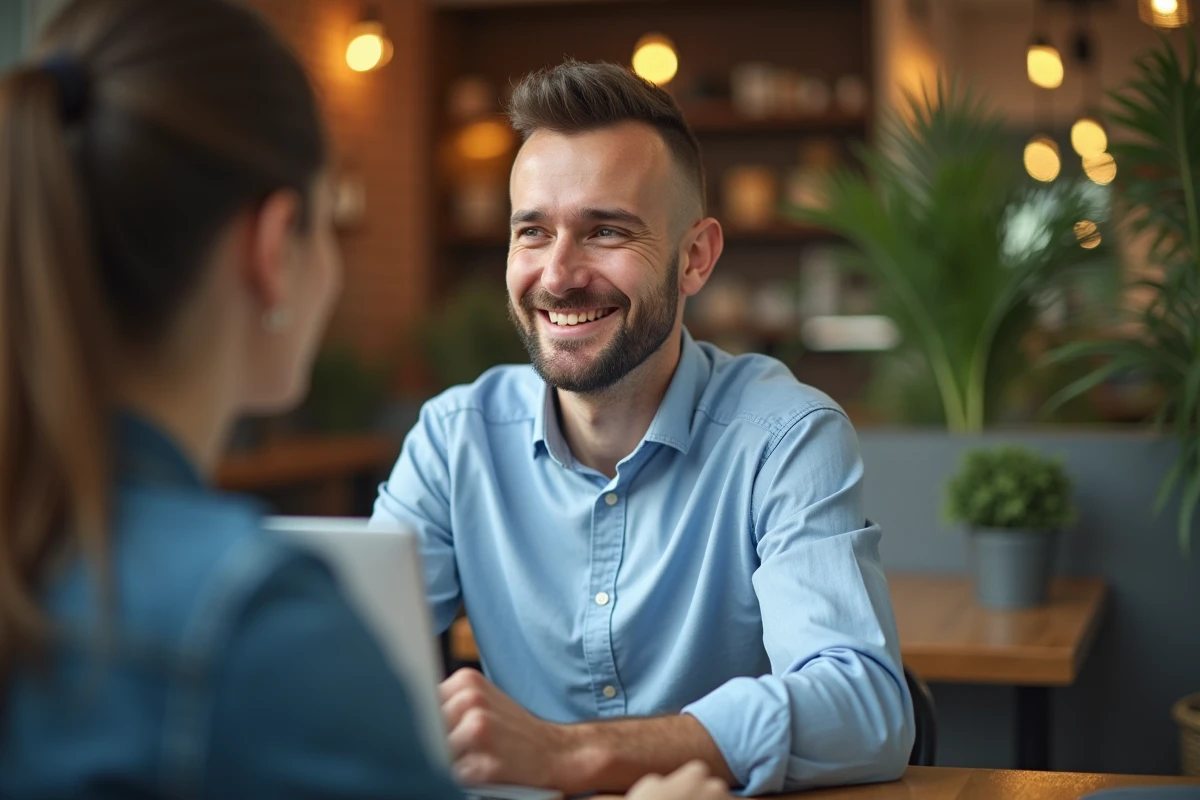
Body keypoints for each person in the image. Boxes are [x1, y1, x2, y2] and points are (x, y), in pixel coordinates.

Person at [0, 3, 728, 799]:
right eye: (333, 221)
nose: (557, 273)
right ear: (274, 248)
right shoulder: (258, 619)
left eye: (607, 231)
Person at [371, 60, 916, 796]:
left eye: (605, 231)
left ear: (695, 258)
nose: (557, 275)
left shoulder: (785, 437)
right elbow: (343, 665)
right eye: (533, 232)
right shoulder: (453, 440)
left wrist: (572, 755)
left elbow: (865, 710)